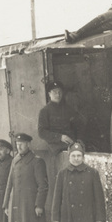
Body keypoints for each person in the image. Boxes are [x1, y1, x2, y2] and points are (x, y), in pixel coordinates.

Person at [38, 80, 86, 212]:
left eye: (59, 92)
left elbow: (79, 126)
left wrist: (80, 140)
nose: (57, 94)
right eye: (54, 92)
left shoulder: (69, 109)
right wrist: (60, 137)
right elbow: (41, 132)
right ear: (49, 94)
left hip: (71, 147)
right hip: (55, 149)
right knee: (58, 180)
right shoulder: (45, 111)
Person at [3, 133, 49, 222]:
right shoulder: (15, 160)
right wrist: (6, 204)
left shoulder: (37, 161)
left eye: (22, 143)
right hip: (17, 204)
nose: (19, 146)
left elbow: (43, 186)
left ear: (28, 144)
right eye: (17, 144)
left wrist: (39, 205)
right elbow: (9, 183)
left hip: (31, 204)